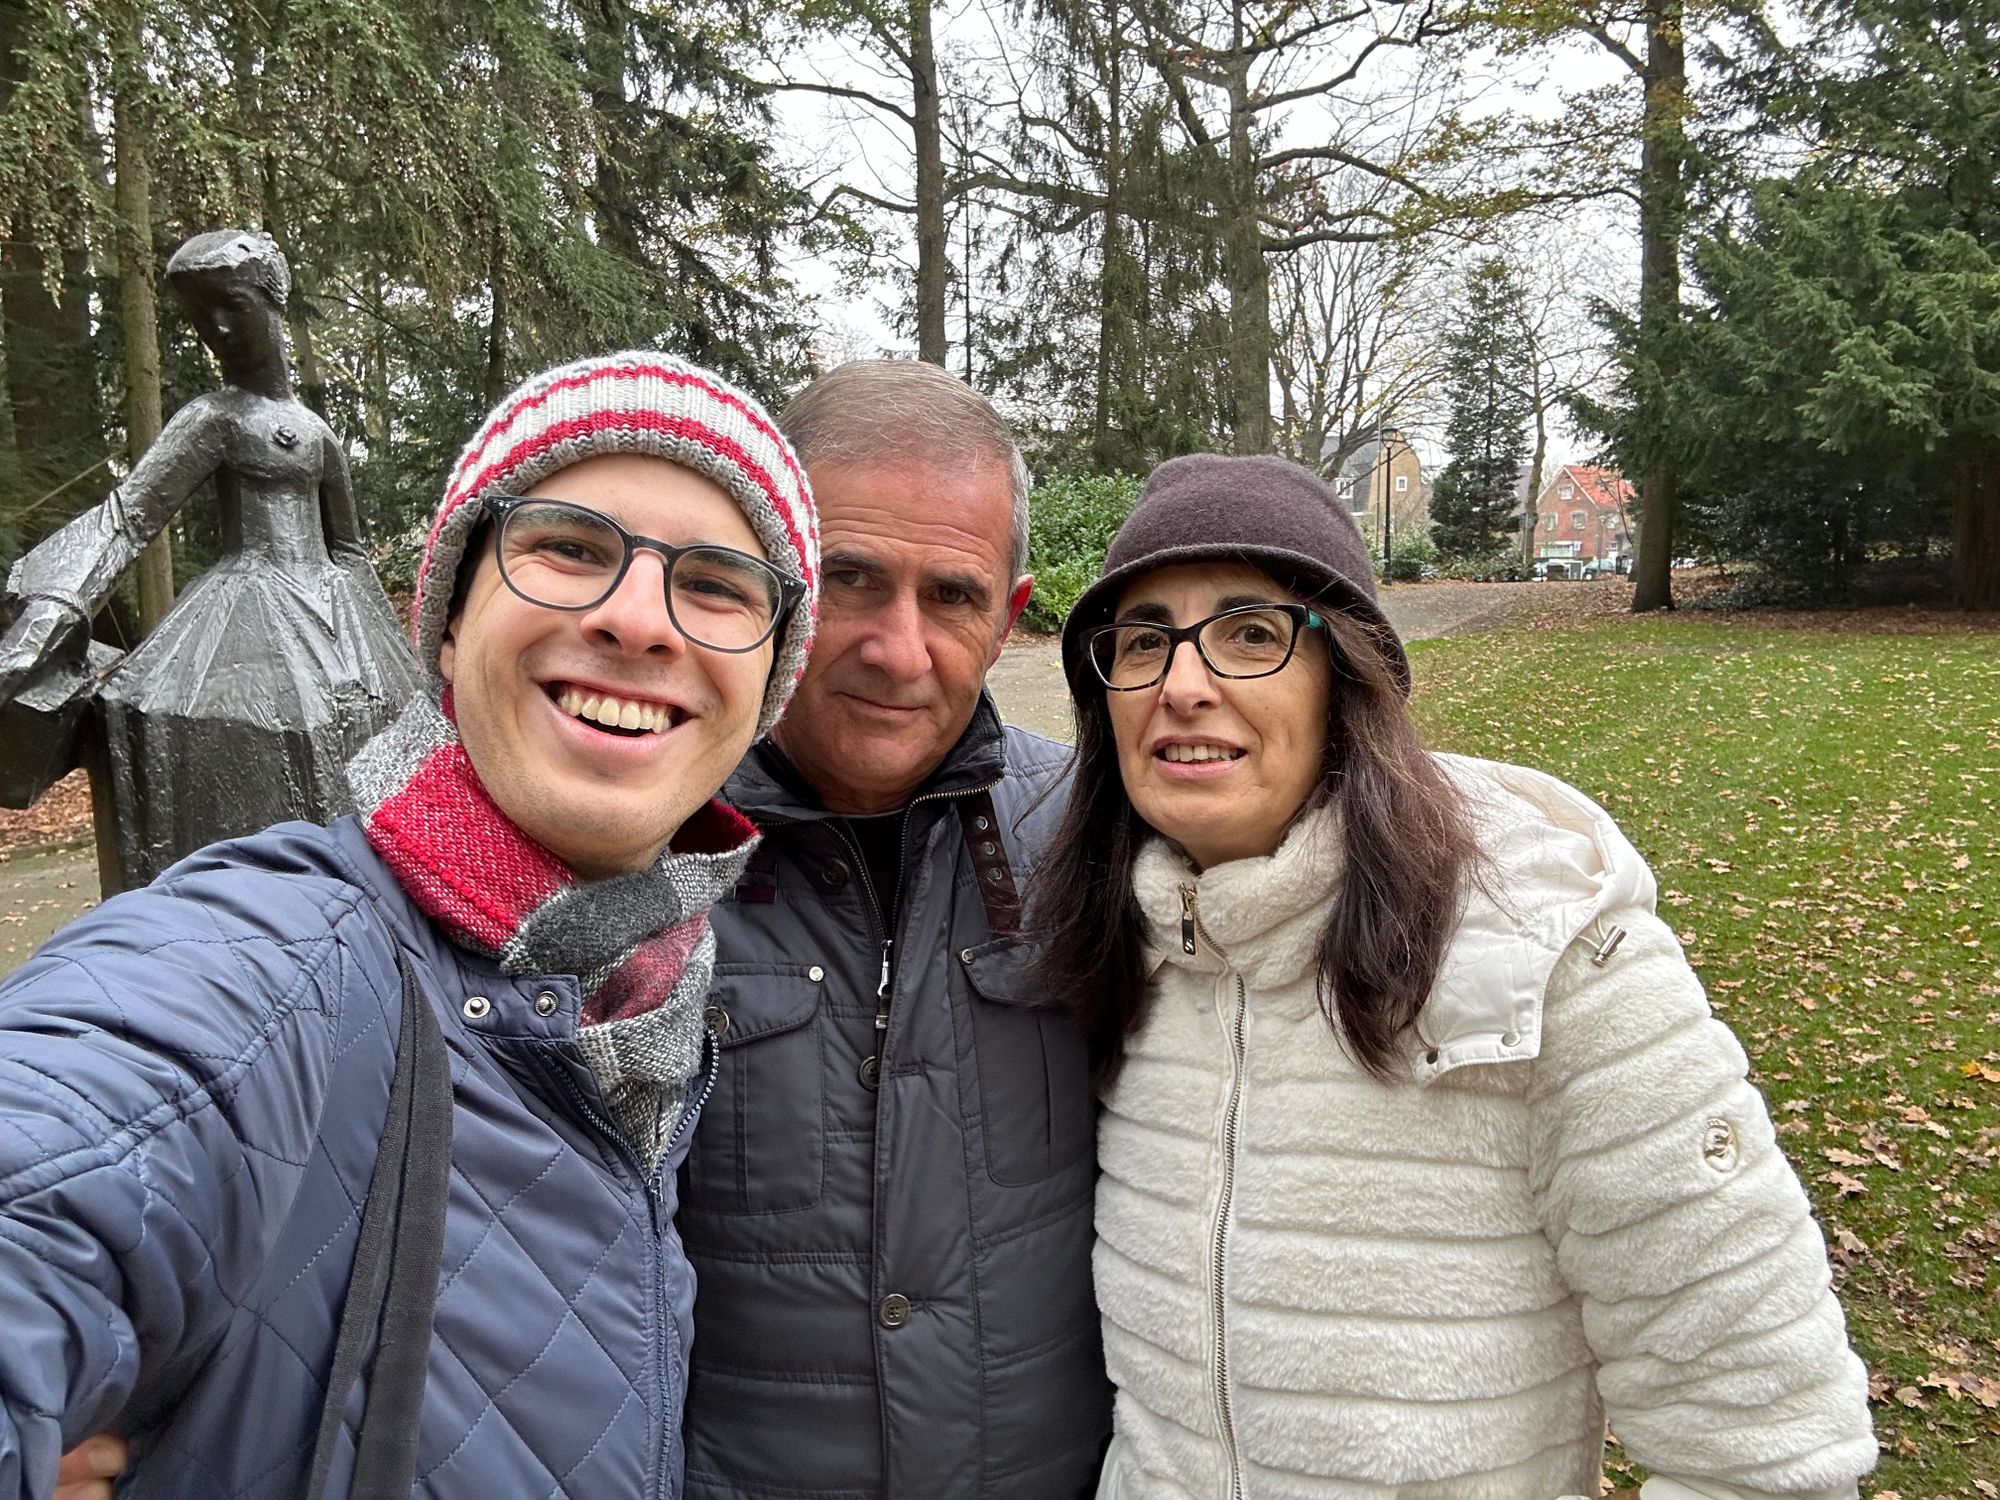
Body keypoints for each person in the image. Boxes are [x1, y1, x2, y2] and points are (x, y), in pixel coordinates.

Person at [0, 351, 818, 1498]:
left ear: (769, 682)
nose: (638, 621)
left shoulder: (642, 1010)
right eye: (569, 547)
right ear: (445, 624)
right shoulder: (274, 962)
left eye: (719, 585)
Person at [1034, 455, 1878, 1499]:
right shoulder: (1116, 954)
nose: (1182, 684)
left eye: (1250, 634)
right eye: (1143, 640)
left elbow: (1761, 1442)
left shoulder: (1556, 965)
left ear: (1346, 677)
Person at [678, 360, 1109, 1498]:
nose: (898, 648)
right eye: (850, 580)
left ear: (1009, 618)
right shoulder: (641, 852)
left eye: (952, 597)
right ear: (766, 582)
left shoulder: (1096, 838)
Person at [0, 229, 418, 892]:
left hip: (333, 615)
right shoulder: (213, 418)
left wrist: (399, 663)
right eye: (200, 316)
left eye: (232, 304)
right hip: (242, 619)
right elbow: (128, 516)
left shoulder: (317, 433)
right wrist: (49, 612)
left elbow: (350, 549)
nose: (217, 328)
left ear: (272, 301)